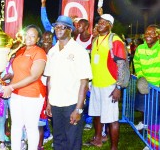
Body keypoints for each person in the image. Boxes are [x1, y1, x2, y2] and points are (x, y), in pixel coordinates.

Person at [44, 15, 92, 150]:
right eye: (56, 26)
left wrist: (79, 108)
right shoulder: (52, 51)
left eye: (62, 26)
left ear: (70, 29)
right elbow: (49, 79)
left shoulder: (79, 51)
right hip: (55, 103)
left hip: (72, 104)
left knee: (72, 142)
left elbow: (84, 82)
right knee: (58, 140)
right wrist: (49, 102)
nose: (58, 29)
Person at [2, 24, 47, 150]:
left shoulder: (39, 52)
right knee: (16, 125)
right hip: (16, 93)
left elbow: (33, 76)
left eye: (33, 36)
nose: (29, 37)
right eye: (27, 34)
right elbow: (19, 71)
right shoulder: (20, 50)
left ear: (38, 39)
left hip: (32, 94)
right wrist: (7, 77)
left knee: (31, 127)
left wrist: (11, 87)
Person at [88, 14, 127, 149]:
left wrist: (118, 87)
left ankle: (114, 147)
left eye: (104, 22)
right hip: (96, 84)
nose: (100, 24)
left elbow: (121, 65)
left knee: (112, 119)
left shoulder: (115, 40)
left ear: (110, 25)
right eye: (99, 22)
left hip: (109, 86)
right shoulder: (95, 40)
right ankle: (98, 139)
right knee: (96, 114)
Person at [133, 24, 160, 130]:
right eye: (147, 32)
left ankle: (152, 142)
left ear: (158, 36)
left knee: (154, 114)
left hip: (156, 87)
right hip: (144, 84)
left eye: (152, 33)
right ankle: (145, 122)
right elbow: (137, 62)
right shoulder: (140, 48)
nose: (148, 35)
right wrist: (140, 76)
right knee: (143, 107)